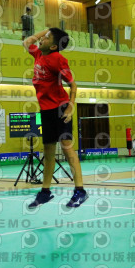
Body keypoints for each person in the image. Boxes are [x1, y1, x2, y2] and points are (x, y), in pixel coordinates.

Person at [23, 28, 88, 208]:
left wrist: (71, 106)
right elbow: (27, 42)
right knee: (48, 150)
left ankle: (80, 191)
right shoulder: (38, 55)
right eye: (43, 37)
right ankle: (45, 192)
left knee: (67, 148)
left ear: (53, 46)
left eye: (46, 38)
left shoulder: (58, 59)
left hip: (60, 108)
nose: (41, 39)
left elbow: (73, 84)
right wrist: (47, 30)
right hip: (46, 110)